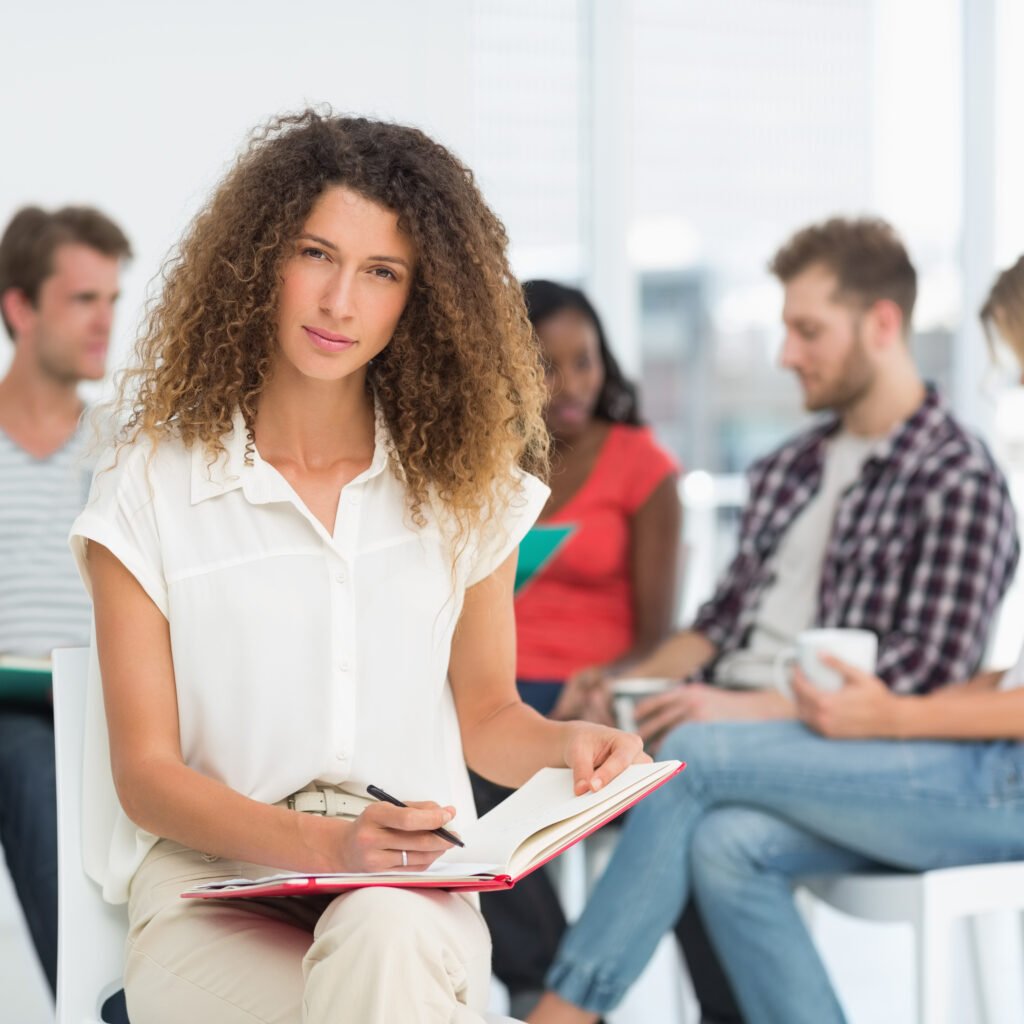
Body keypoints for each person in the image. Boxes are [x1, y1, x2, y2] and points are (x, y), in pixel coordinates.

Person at [67, 109, 646, 1024]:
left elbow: (490, 716)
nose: (341, 302)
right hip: (213, 898)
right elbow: (145, 774)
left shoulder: (462, 488)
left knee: (382, 939)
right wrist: (324, 844)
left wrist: (564, 747)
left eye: (382, 272)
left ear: (421, 299)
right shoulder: (148, 485)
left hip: (410, 887)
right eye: (316, 254)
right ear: (260, 259)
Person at [527, 253, 1024, 1024]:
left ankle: (561, 1014)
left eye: (807, 330)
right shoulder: (791, 467)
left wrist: (884, 715)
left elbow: (923, 683)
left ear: (880, 326)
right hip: (941, 752)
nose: (785, 352)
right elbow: (719, 623)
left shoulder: (959, 474)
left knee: (692, 761)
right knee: (727, 844)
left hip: (977, 774)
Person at [474, 280, 681, 1018]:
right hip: (496, 681)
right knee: (445, 765)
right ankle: (548, 988)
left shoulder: (640, 463)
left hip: (592, 692)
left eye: (585, 361)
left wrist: (603, 683)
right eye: (548, 364)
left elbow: (660, 630)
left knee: (479, 763)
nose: (571, 384)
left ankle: (547, 1001)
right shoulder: (487, 461)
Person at [0, 205, 131, 997]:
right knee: (26, 753)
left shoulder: (125, 443)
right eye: (84, 300)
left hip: (97, 704)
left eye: (113, 301)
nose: (104, 323)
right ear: (20, 307)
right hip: (13, 711)